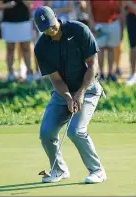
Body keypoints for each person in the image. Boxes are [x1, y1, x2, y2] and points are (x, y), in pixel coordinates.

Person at [33, 6, 107, 184]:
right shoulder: (41, 47)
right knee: (46, 133)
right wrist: (67, 97)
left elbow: (92, 64)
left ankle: (97, 171)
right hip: (62, 93)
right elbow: (56, 80)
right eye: (45, 29)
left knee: (76, 131)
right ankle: (58, 169)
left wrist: (80, 93)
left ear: (56, 18)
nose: (50, 31)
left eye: (52, 26)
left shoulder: (79, 30)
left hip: (88, 89)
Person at [86, 0, 125, 82]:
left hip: (113, 23)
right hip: (99, 24)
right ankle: (101, 73)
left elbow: (120, 7)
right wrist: (91, 22)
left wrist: (121, 23)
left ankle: (111, 73)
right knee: (101, 49)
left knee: (111, 49)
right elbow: (88, 7)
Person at [0, 0, 34, 82]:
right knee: (10, 49)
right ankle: (10, 74)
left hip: (24, 21)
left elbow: (30, 5)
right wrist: (7, 5)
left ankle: (28, 73)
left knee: (26, 49)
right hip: (8, 22)